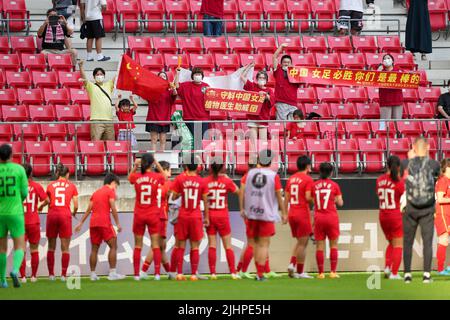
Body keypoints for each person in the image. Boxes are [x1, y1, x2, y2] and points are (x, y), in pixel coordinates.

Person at [239, 149, 287, 281]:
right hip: (266, 214)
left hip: (252, 213)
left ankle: (247, 271)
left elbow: (242, 192)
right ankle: (260, 274)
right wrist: (283, 212)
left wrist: (242, 208)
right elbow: (278, 195)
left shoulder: (249, 174)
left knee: (253, 243)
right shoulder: (273, 176)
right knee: (263, 245)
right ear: (270, 162)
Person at [402, 137, 440, 283]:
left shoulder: (406, 163)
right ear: (428, 147)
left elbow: (400, 176)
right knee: (427, 242)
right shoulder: (434, 163)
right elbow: (435, 174)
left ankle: (407, 275)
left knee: (408, 242)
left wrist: (410, 158)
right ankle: (426, 275)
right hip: (427, 209)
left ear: (413, 148)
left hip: (411, 208)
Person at [74, 173, 125, 281]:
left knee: (94, 249)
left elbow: (88, 210)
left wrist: (81, 223)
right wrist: (118, 223)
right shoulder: (109, 192)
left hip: (93, 223)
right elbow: (113, 208)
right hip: (104, 222)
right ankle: (112, 273)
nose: (116, 188)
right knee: (113, 245)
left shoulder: (95, 193)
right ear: (112, 182)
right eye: (116, 185)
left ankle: (92, 274)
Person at [170, 153, 210, 281]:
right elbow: (205, 200)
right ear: (197, 167)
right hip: (196, 215)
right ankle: (193, 274)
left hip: (183, 215)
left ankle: (179, 274)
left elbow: (173, 196)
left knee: (180, 245)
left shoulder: (180, 179)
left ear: (186, 166)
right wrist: (207, 217)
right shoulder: (201, 181)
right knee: (195, 246)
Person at [128, 154, 167, 281]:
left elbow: (129, 178)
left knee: (138, 245)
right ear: (151, 164)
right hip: (153, 214)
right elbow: (165, 177)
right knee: (155, 245)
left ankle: (136, 275)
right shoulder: (156, 177)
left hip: (139, 214)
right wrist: (157, 162)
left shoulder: (137, 177)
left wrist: (135, 166)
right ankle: (156, 274)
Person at [39, 163, 78, 281]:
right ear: (67, 174)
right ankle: (63, 275)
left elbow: (48, 200)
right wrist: (74, 213)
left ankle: (51, 275)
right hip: (65, 216)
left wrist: (40, 206)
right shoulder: (71, 186)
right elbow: (76, 205)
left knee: (51, 247)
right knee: (65, 248)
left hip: (52, 215)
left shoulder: (51, 185)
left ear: (57, 173)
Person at [204, 160, 240, 280]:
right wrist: (228, 178)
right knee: (228, 246)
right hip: (222, 216)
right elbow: (238, 192)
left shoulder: (205, 181)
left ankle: (213, 273)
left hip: (210, 215)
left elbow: (201, 196)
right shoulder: (226, 181)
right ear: (222, 168)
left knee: (212, 245)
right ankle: (233, 273)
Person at [0, 144, 28, 288]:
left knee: (1, 249)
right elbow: (24, 193)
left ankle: (2, 280)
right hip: (15, 212)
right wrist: (18, 201)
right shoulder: (19, 169)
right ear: (11, 154)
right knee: (20, 245)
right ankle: (15, 270)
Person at [141, 161, 173, 278]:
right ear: (163, 170)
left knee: (162, 246)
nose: (170, 172)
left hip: (151, 216)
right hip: (161, 216)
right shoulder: (167, 183)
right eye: (169, 169)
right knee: (156, 245)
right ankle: (147, 271)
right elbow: (173, 196)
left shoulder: (151, 182)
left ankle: (169, 272)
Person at [284, 155, 314, 279]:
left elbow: (286, 197)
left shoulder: (291, 179)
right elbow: (308, 197)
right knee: (303, 243)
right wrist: (316, 199)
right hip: (302, 213)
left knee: (300, 242)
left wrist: (285, 213)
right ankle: (300, 272)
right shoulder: (308, 179)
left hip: (292, 213)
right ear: (307, 166)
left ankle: (292, 264)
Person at [376, 155, 405, 280]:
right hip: (395, 215)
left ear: (387, 165)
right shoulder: (399, 182)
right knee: (398, 245)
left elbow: (379, 194)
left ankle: (387, 267)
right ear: (398, 167)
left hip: (383, 215)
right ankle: (394, 273)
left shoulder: (379, 180)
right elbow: (403, 198)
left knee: (391, 243)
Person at [313, 162, 344, 279]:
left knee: (319, 246)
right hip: (331, 217)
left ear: (320, 172)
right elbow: (340, 203)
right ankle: (332, 272)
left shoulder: (314, 185)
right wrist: (335, 199)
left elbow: (312, 200)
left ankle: (321, 273)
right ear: (331, 172)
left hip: (318, 217)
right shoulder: (334, 185)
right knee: (333, 245)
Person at [20, 163, 48, 284]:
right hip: (33, 221)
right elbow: (47, 200)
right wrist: (41, 206)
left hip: (20, 222)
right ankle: (33, 276)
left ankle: (23, 277)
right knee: (34, 249)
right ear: (31, 173)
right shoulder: (37, 186)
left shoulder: (17, 187)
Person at [79, 60, 116, 141]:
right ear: (94, 77)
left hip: (109, 120)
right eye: (97, 74)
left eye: (101, 74)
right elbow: (84, 77)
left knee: (110, 145)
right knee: (95, 143)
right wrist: (81, 66)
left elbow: (117, 76)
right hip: (96, 120)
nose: (99, 76)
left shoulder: (109, 85)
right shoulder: (91, 86)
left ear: (104, 76)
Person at [175, 67, 210, 149]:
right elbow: (176, 86)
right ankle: (192, 160)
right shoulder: (186, 86)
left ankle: (198, 160)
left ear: (202, 76)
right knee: (190, 142)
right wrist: (177, 74)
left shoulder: (206, 87)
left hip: (203, 119)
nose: (197, 76)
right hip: (189, 118)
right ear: (192, 76)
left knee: (201, 142)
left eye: (199, 74)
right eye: (196, 74)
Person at [240, 63, 274, 143]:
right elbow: (242, 77)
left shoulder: (269, 90)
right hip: (252, 118)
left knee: (263, 144)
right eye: (260, 77)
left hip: (263, 119)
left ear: (266, 80)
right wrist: (249, 66)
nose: (261, 79)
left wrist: (266, 95)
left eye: (263, 78)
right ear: (257, 79)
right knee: (253, 144)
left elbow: (272, 101)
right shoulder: (252, 86)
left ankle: (262, 155)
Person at [146, 71, 177, 151]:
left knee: (163, 140)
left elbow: (174, 95)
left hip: (164, 118)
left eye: (164, 76)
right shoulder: (152, 90)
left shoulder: (169, 91)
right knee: (154, 139)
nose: (162, 77)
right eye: (160, 76)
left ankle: (162, 157)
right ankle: (154, 158)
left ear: (166, 79)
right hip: (153, 118)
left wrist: (174, 89)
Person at [273, 44, 300, 120]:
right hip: (281, 103)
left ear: (291, 64)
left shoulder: (296, 74)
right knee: (281, 126)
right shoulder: (278, 71)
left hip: (293, 104)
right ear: (281, 64)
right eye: (284, 62)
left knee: (291, 126)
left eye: (288, 62)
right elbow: (274, 57)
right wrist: (281, 47)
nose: (286, 64)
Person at [378, 54, 404, 127]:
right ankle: (382, 135)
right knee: (384, 124)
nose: (386, 60)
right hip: (385, 100)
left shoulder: (399, 70)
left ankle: (398, 137)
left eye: (388, 58)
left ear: (392, 61)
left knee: (398, 123)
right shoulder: (380, 71)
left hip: (397, 100)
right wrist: (378, 71)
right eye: (384, 59)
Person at [434, 159, 450, 275]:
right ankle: (440, 269)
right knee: (443, 240)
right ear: (447, 168)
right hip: (443, 214)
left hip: (448, 213)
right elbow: (440, 199)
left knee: (444, 240)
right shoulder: (443, 180)